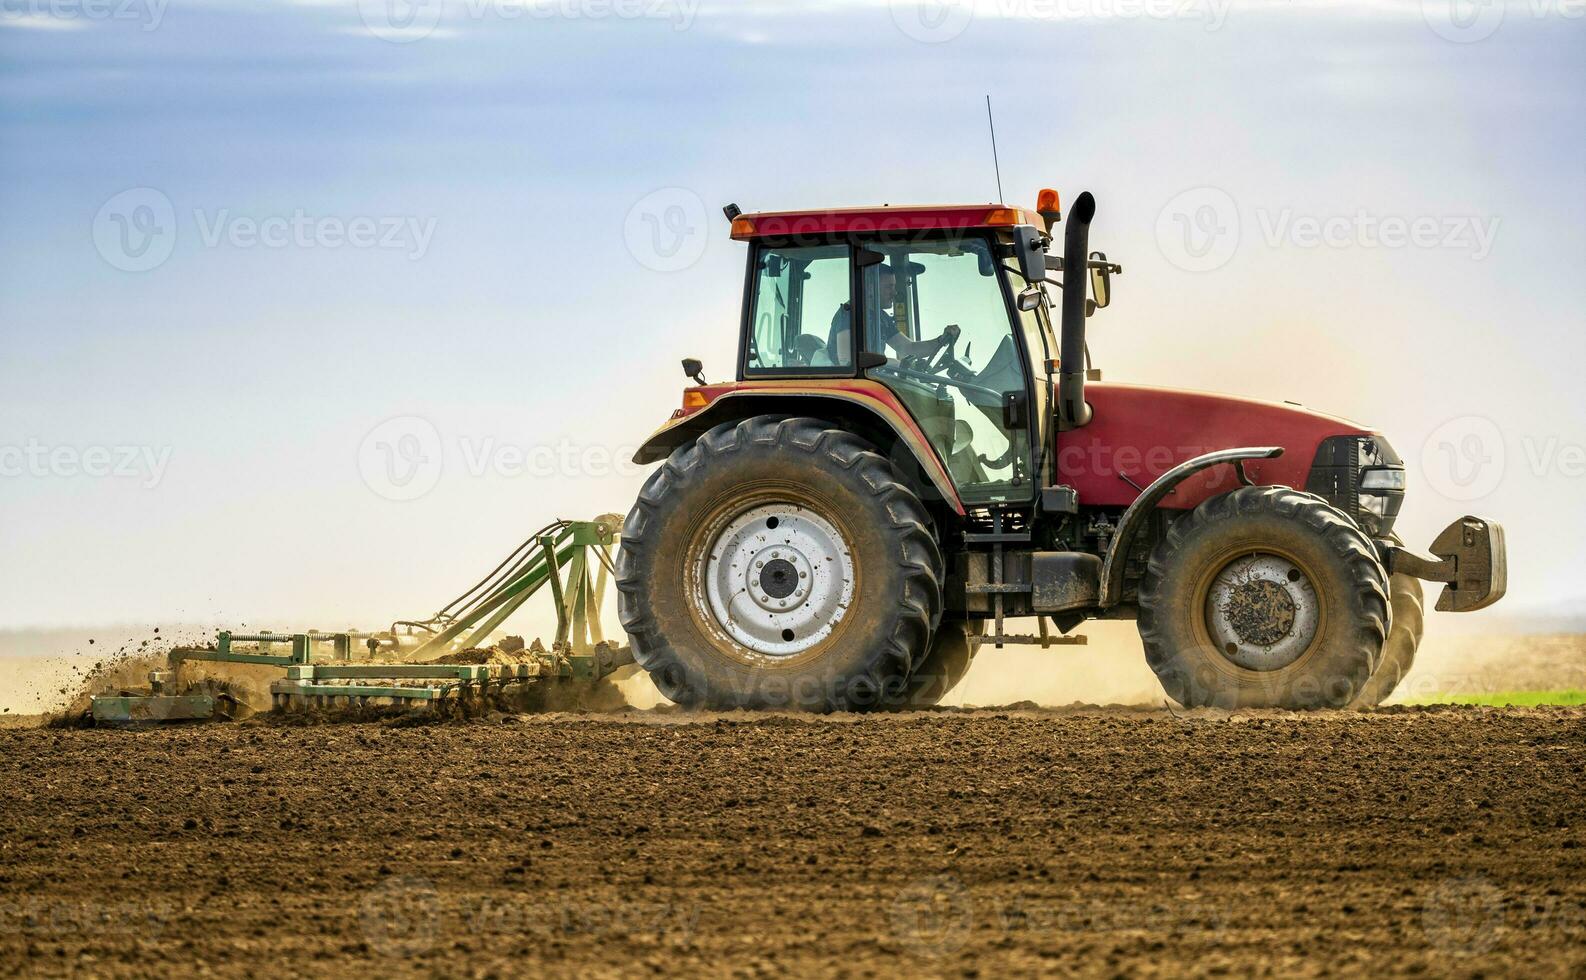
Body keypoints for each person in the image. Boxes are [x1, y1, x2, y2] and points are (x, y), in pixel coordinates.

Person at [825, 264, 960, 366]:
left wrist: (941, 340)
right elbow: (846, 360)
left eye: (894, 287)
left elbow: (908, 348)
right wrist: (896, 364)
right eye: (889, 287)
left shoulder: (881, 317)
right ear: (870, 287)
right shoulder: (849, 313)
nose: (894, 293)